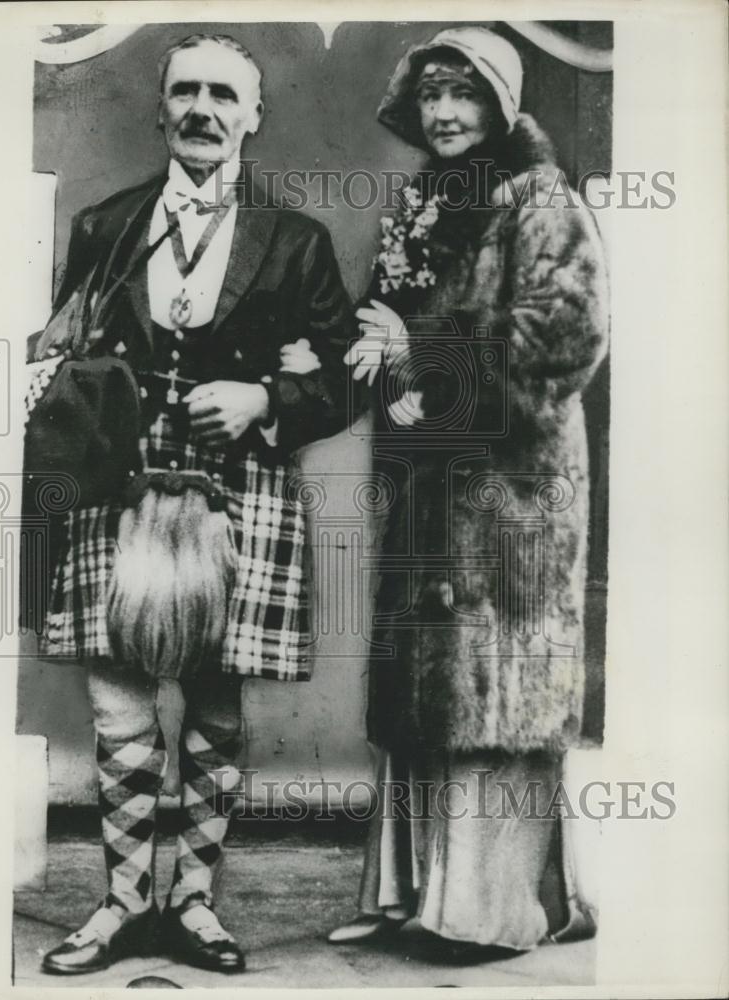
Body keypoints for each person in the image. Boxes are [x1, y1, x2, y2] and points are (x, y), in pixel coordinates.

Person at [31, 33, 353, 975]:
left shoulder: (296, 242)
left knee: (213, 699)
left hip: (238, 483)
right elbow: (67, 353)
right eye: (184, 93)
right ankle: (125, 898)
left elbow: (343, 379)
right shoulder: (106, 225)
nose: (201, 109)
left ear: (255, 115)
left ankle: (196, 901)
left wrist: (268, 400)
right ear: (159, 108)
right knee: (118, 700)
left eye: (223, 95)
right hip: (117, 481)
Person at [332, 26, 609, 951]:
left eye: (465, 94)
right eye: (431, 96)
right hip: (429, 478)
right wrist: (371, 361)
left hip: (513, 495)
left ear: (501, 106)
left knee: (495, 688)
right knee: (428, 688)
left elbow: (566, 335)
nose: (444, 112)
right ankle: (412, 898)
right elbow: (392, 329)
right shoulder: (423, 203)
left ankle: (488, 909)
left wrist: (426, 351)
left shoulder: (541, 200)